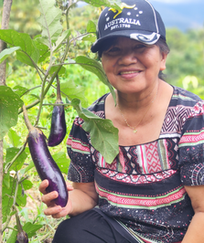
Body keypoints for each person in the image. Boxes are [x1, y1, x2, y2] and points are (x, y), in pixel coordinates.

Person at [39, 0, 204, 242]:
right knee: (71, 233)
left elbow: (202, 210)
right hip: (118, 231)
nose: (127, 59)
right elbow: (87, 194)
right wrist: (65, 202)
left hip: (181, 236)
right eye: (114, 50)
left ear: (163, 57)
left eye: (140, 46)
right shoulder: (88, 122)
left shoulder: (191, 116)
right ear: (102, 62)